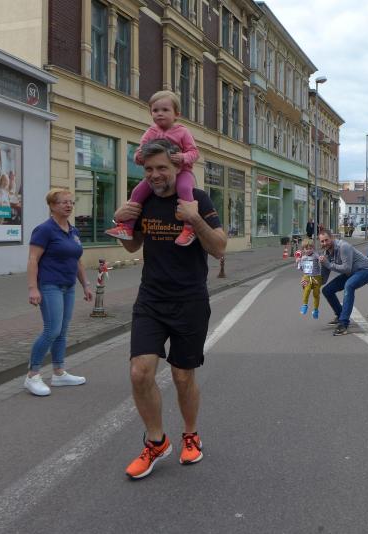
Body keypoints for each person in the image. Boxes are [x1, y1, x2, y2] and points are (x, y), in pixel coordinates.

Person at [113, 139, 226, 479]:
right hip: (151, 299)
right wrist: (121, 222)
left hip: (190, 300)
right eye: (149, 169)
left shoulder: (197, 198)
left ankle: (191, 434)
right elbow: (133, 245)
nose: (155, 175)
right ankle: (156, 441)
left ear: (178, 167)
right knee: (139, 372)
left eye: (161, 167)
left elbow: (219, 248)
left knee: (182, 375)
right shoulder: (144, 201)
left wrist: (195, 219)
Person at [106, 90, 200, 246]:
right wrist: (139, 157)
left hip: (183, 172)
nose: (159, 113)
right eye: (155, 110)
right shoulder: (150, 133)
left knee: (184, 188)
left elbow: (195, 153)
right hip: (160, 174)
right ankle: (127, 227)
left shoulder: (183, 132)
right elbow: (139, 153)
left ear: (176, 114)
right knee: (137, 192)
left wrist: (183, 157)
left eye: (165, 110)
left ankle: (189, 228)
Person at [24, 189, 93, 396]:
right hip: (49, 285)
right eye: (64, 202)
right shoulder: (44, 230)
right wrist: (32, 288)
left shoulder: (73, 231)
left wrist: (86, 284)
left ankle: (59, 373)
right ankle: (32, 375)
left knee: (62, 330)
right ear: (52, 206)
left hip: (68, 286)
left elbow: (77, 260)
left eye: (71, 202)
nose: (69, 205)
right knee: (51, 330)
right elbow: (33, 260)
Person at [318, 229, 368, 336]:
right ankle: (340, 315)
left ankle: (343, 324)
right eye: (322, 241)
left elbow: (347, 268)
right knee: (327, 290)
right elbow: (323, 279)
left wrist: (328, 264)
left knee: (349, 286)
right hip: (351, 273)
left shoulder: (343, 247)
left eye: (326, 240)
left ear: (332, 238)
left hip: (365, 270)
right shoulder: (326, 253)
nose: (324, 243)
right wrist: (311, 284)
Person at [298, 241, 322, 320]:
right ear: (303, 249)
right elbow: (301, 269)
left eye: (310, 248)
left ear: (313, 248)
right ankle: (304, 305)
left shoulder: (315, 255)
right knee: (307, 290)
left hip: (316, 277)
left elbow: (319, 259)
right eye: (306, 249)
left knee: (316, 294)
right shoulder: (303, 258)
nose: (309, 250)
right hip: (307, 277)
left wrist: (320, 259)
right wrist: (298, 262)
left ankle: (315, 310)